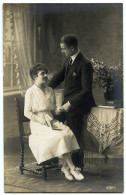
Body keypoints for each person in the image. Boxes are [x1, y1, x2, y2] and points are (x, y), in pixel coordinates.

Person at [24, 63, 84, 181]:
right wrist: (40, 119)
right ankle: (72, 168)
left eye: (46, 73)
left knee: (69, 133)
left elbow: (53, 109)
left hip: (51, 120)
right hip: (38, 124)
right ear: (35, 77)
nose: (46, 76)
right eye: (42, 74)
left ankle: (65, 168)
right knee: (60, 136)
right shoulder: (30, 92)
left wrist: (58, 109)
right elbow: (27, 112)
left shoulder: (50, 90)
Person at [48, 34, 96, 170]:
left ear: (73, 48)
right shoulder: (69, 60)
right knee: (49, 119)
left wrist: (69, 105)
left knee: (74, 133)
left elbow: (86, 91)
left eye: (64, 49)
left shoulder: (85, 64)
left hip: (79, 105)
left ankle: (76, 166)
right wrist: (46, 88)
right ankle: (50, 159)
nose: (62, 51)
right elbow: (59, 76)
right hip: (68, 103)